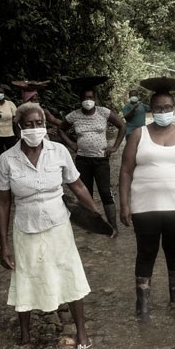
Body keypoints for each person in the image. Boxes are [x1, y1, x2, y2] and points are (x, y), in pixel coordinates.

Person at [0, 103, 95, 349]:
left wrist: (96, 217)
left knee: (69, 273)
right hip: (25, 227)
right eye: (28, 125)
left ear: (45, 125)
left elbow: (78, 186)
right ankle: (25, 335)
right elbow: (3, 204)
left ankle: (82, 333)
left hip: (58, 224)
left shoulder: (59, 152)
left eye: (38, 124)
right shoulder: (6, 160)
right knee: (25, 277)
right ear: (19, 127)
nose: (34, 129)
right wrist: (3, 244)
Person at [119, 84, 175, 320]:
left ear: (173, 108)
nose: (164, 111)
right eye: (159, 108)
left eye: (168, 107)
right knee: (146, 252)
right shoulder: (139, 134)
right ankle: (142, 306)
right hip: (145, 206)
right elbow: (126, 171)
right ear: (152, 109)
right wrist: (124, 204)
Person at [59, 85, 126, 237]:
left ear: (94, 99)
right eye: (84, 98)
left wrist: (114, 147)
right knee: (85, 193)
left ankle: (113, 228)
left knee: (105, 193)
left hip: (101, 160)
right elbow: (61, 129)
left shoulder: (103, 112)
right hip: (83, 160)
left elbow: (122, 126)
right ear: (80, 100)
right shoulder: (74, 116)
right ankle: (90, 227)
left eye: (90, 98)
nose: (87, 101)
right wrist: (72, 144)